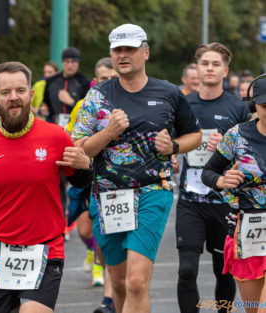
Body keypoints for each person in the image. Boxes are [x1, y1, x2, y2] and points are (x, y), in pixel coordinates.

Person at [72, 23, 202, 313]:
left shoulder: (169, 93)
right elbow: (78, 150)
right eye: (117, 49)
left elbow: (195, 135)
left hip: (152, 191)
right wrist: (107, 133)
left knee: (136, 283)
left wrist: (174, 147)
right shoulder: (98, 96)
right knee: (117, 283)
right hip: (109, 197)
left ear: (145, 52)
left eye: (129, 48)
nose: (123, 55)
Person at [0, 61, 92, 313]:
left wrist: (86, 166)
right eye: (5, 92)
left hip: (46, 248)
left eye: (20, 91)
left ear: (31, 94)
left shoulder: (55, 136)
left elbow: (80, 181)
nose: (14, 98)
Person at [176, 42, 250, 313]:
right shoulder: (183, 103)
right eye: (205, 63)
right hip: (190, 200)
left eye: (215, 64)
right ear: (197, 68)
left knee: (224, 272)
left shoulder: (237, 107)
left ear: (225, 70)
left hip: (223, 202)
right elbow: (173, 143)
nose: (209, 68)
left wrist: (225, 148)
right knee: (186, 270)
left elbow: (248, 156)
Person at [202, 74, 266, 313]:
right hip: (246, 231)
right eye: (265, 106)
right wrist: (222, 180)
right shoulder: (237, 136)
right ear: (254, 106)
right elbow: (208, 172)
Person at [66, 56, 118, 313]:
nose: (108, 83)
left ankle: (108, 299)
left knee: (112, 241)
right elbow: (71, 138)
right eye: (103, 79)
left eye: (113, 78)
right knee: (85, 231)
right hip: (91, 178)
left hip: (122, 184)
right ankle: (94, 255)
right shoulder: (83, 105)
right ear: (95, 81)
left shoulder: (131, 103)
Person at [42, 47, 91, 127]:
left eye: (73, 62)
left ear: (78, 63)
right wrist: (43, 110)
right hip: (53, 125)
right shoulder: (51, 81)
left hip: (75, 127)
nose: (70, 65)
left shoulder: (84, 82)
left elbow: (87, 110)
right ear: (62, 62)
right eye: (67, 61)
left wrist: (71, 102)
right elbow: (45, 104)